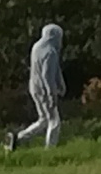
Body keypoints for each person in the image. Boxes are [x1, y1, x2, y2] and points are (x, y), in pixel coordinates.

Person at [6, 21, 66, 151]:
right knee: (54, 121)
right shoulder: (50, 52)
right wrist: (52, 95)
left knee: (43, 120)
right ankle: (50, 150)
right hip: (44, 90)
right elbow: (47, 76)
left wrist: (61, 83)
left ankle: (18, 139)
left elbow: (54, 70)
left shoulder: (37, 47)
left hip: (34, 87)